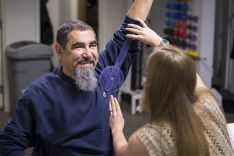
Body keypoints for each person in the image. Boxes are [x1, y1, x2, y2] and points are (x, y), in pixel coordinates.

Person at [0, 0, 154, 155]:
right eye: (78, 46)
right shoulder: (38, 94)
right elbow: (9, 143)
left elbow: (130, 29)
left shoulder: (106, 75)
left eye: (92, 45)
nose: (88, 54)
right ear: (59, 51)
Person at [109, 18, 234, 156]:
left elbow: (122, 153)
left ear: (153, 87)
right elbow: (186, 71)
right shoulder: (209, 104)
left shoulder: (149, 138)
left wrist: (116, 128)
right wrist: (159, 41)